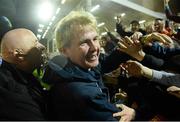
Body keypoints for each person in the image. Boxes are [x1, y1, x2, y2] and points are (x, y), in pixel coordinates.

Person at [43, 11, 136, 121]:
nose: (94, 48)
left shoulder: (75, 69)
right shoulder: (82, 94)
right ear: (64, 51)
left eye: (95, 39)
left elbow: (104, 63)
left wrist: (131, 46)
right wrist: (134, 113)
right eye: (84, 42)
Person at [0, 28, 48, 120]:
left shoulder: (25, 75)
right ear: (18, 54)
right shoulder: (11, 94)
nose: (42, 46)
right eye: (35, 43)